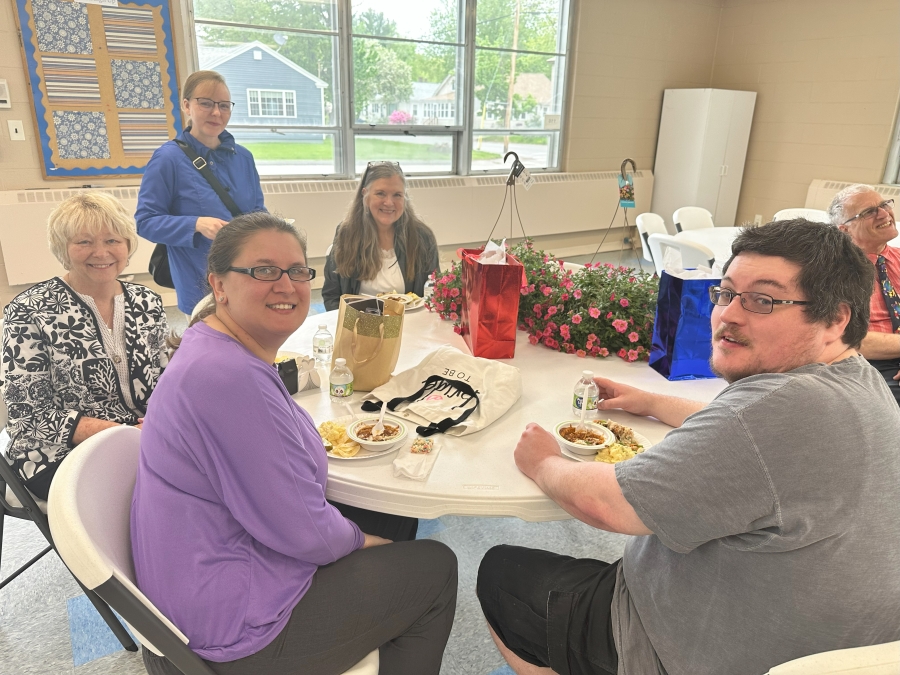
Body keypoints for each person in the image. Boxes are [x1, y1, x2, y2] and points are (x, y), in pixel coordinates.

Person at [477, 220, 900, 675]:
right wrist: (652, 402)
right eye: (726, 292)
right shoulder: (858, 383)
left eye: (763, 300)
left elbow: (609, 507)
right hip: (807, 642)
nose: (729, 315)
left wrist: (542, 461)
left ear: (835, 319)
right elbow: (757, 449)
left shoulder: (774, 409)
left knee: (500, 571)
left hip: (679, 652)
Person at [131, 212, 457, 675]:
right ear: (218, 284)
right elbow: (303, 528)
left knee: (393, 515)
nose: (287, 285)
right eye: (264, 270)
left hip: (204, 575)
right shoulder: (227, 379)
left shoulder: (215, 348)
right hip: (235, 628)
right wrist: (365, 541)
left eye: (298, 271)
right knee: (435, 567)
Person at [1, 192, 167, 500]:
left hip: (142, 437)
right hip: (56, 450)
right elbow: (27, 414)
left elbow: (164, 379)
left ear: (127, 244)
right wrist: (121, 434)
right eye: (84, 242)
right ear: (63, 249)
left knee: (213, 470)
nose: (101, 252)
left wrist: (160, 421)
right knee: (150, 493)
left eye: (112, 240)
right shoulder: (28, 311)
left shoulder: (147, 301)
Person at [136, 70, 265, 316]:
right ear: (186, 105)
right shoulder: (168, 159)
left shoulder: (244, 158)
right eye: (206, 103)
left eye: (224, 106)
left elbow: (257, 210)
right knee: (211, 351)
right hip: (199, 283)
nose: (216, 113)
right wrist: (196, 224)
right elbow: (146, 222)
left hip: (248, 278)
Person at [322, 162, 439, 311]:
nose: (389, 202)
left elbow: (434, 294)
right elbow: (332, 297)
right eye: (380, 193)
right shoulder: (347, 233)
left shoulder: (422, 237)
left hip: (408, 326)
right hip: (357, 326)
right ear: (365, 194)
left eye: (397, 195)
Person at [829, 183, 900, 403]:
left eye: (884, 204)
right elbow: (845, 338)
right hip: (864, 364)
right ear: (845, 229)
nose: (883, 214)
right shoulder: (832, 270)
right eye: (869, 212)